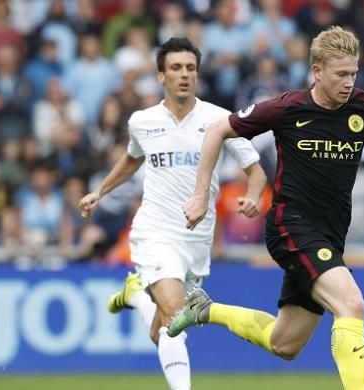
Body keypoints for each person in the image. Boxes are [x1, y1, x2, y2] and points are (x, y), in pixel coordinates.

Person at [168, 26, 364, 390]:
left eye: (354, 73)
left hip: (329, 235)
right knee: (352, 305)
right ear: (317, 70)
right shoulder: (288, 108)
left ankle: (205, 310)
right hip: (290, 226)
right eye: (341, 74)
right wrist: (202, 194)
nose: (349, 82)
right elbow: (217, 129)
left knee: (284, 343)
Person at [78, 37, 266, 390]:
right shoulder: (142, 121)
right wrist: (99, 191)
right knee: (176, 315)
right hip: (155, 231)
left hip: (197, 240)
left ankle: (135, 294)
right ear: (161, 76)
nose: (184, 75)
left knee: (163, 328)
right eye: (176, 68)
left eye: (190, 68)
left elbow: (255, 171)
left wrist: (254, 196)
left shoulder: (220, 120)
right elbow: (133, 158)